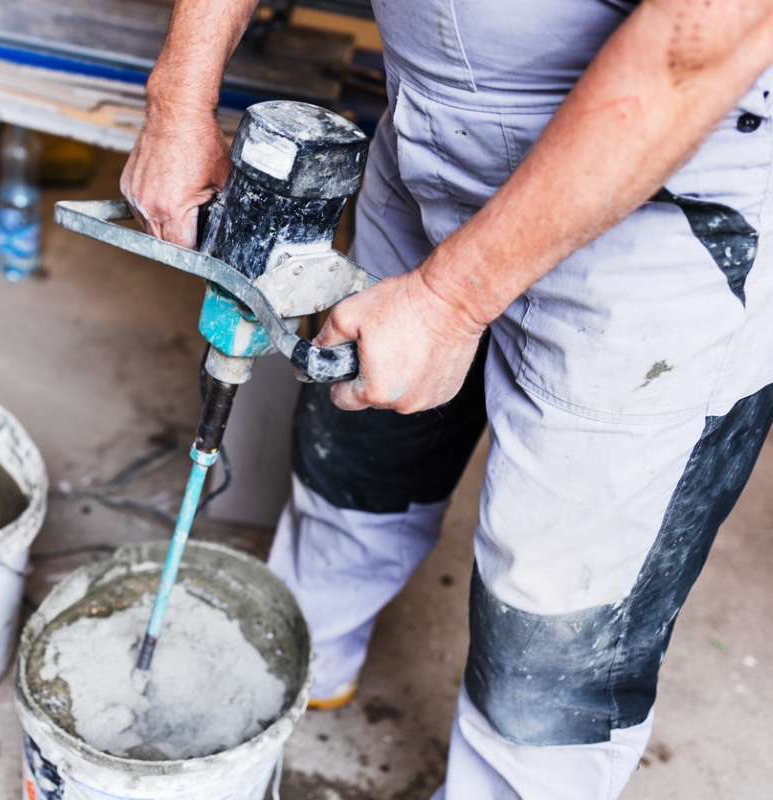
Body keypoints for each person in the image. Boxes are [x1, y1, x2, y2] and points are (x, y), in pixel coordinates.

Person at [121, 1, 773, 798]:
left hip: (668, 187)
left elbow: (702, 43)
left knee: (558, 619)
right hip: (435, 117)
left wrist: (450, 301)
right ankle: (295, 654)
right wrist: (178, 98)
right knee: (360, 445)